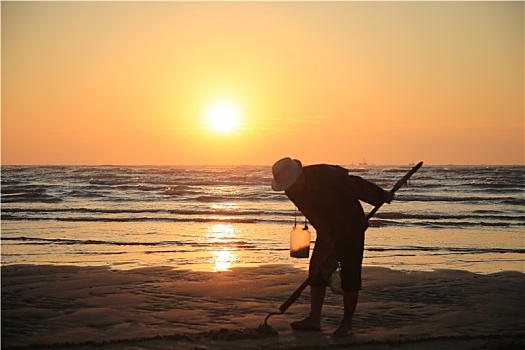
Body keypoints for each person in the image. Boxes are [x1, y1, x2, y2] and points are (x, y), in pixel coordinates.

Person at [271, 157, 394, 337]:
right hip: (327, 227)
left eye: (291, 184)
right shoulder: (291, 190)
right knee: (317, 269)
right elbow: (313, 215)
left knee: (350, 273)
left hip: (352, 223)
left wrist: (380, 195)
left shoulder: (327, 175)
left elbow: (355, 186)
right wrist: (329, 243)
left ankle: (347, 324)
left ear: (300, 177)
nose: (290, 189)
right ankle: (314, 319)